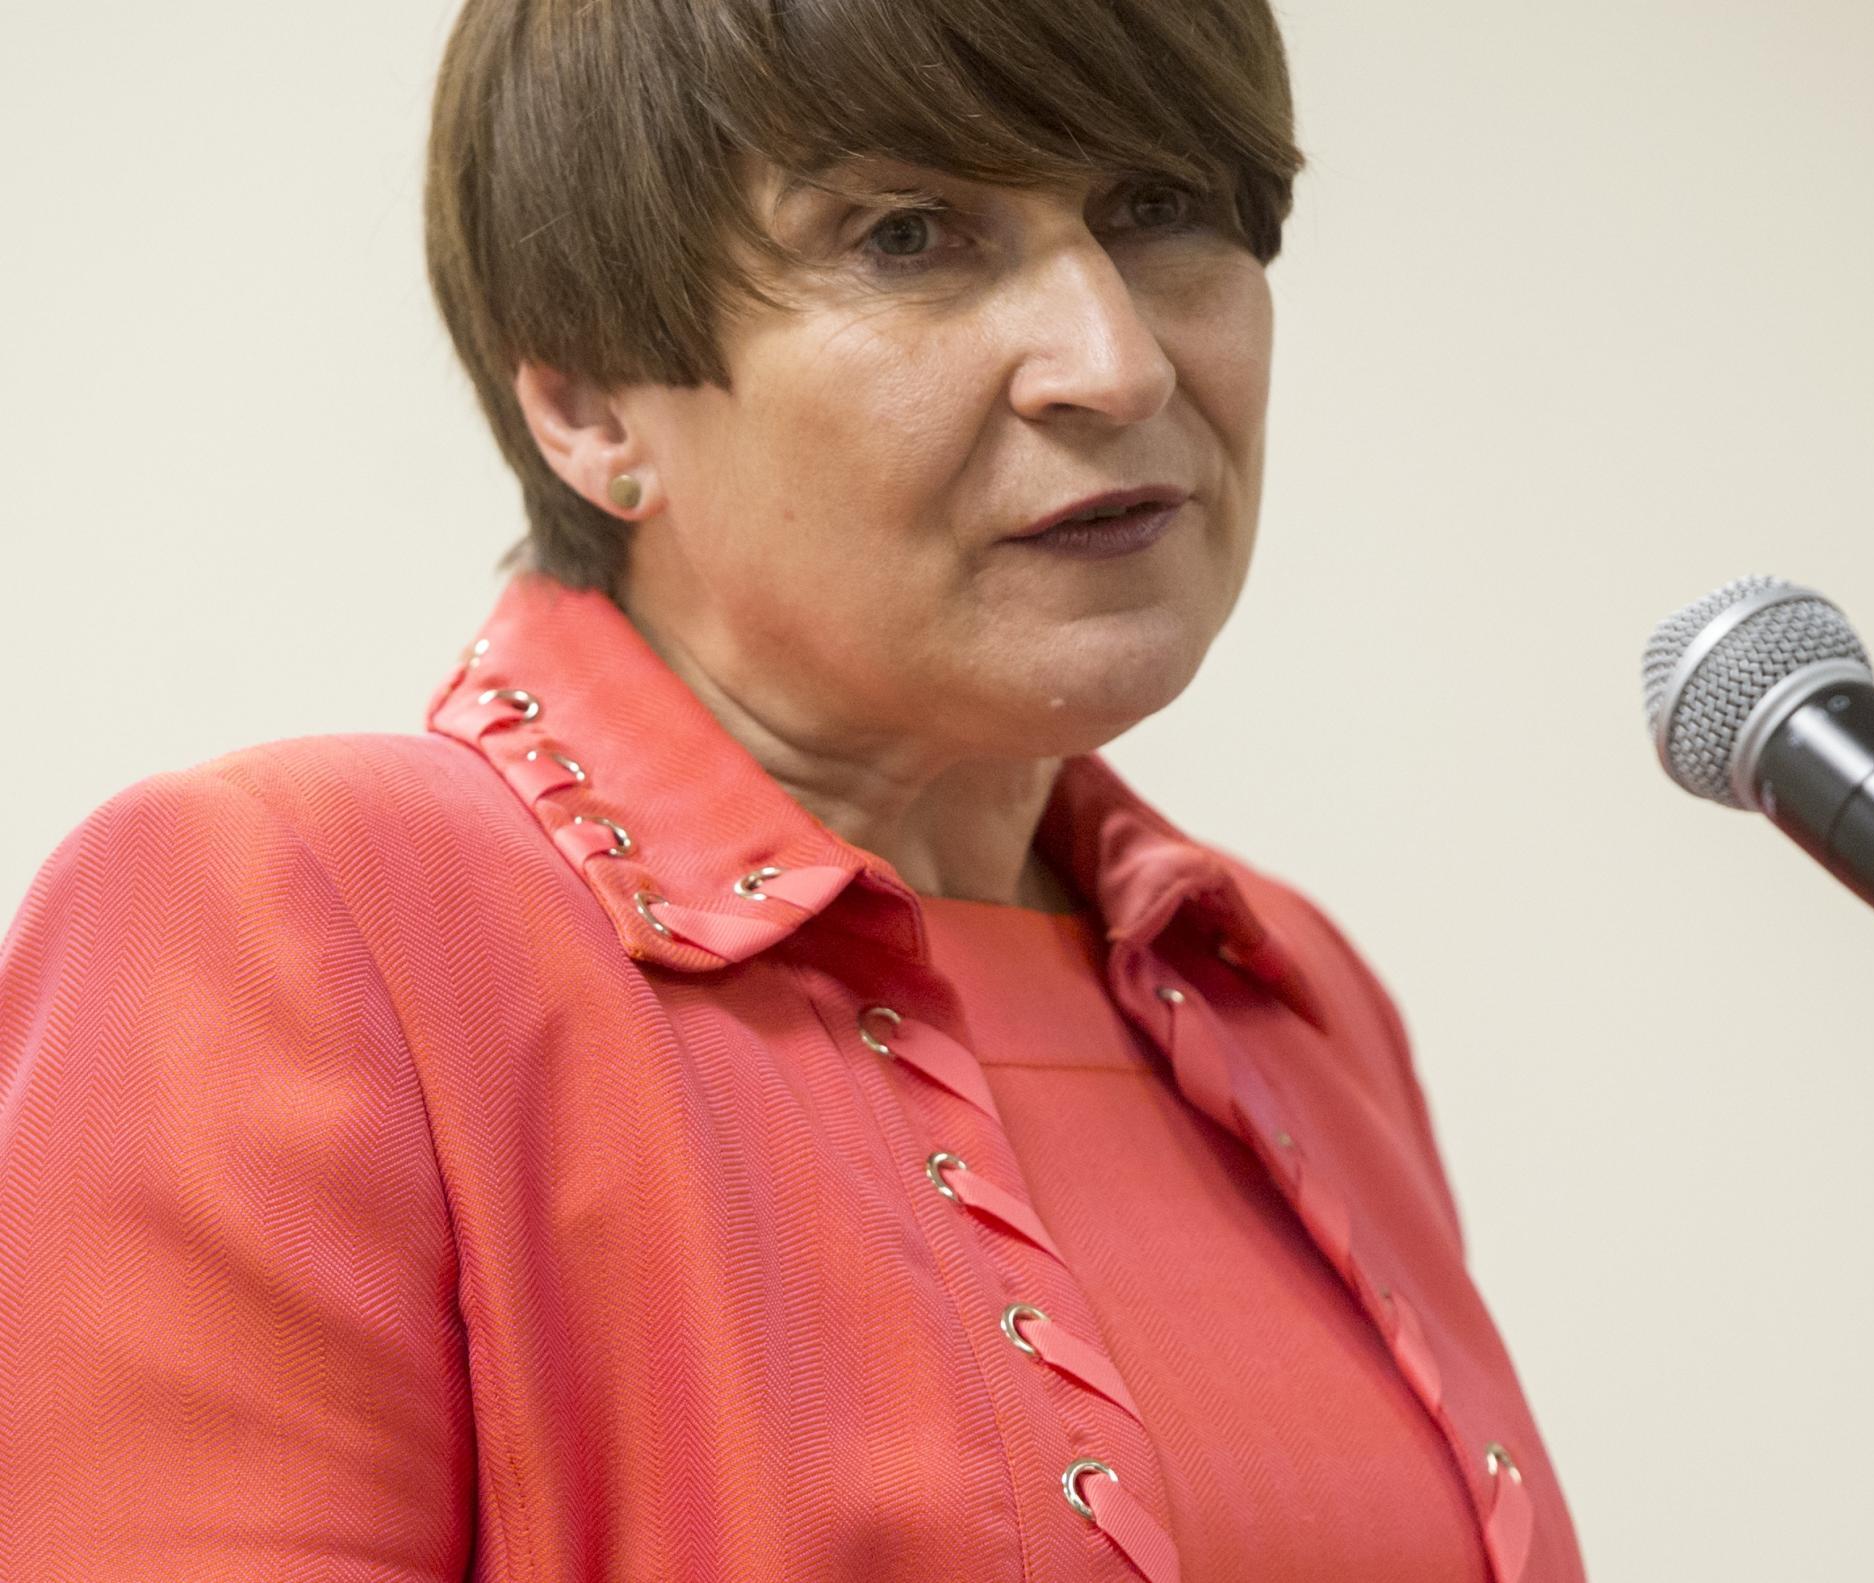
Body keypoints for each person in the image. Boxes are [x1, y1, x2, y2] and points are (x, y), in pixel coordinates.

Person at [0, 2, 1584, 1578]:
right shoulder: (297, 922)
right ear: (589, 404)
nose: (1115, 364)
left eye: (1158, 209)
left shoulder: (1283, 991)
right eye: (909, 236)